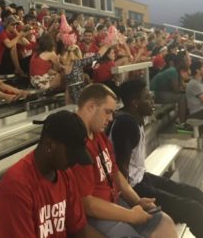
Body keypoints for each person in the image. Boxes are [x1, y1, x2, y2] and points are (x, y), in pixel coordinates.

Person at [111, 79, 203, 238]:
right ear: (135, 103)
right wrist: (133, 202)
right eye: (147, 98)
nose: (152, 101)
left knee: (196, 194)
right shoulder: (126, 125)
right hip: (135, 187)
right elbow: (119, 171)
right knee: (192, 209)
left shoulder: (134, 119)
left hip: (142, 178)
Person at [71, 83, 178, 238]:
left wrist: (137, 201)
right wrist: (130, 215)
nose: (111, 118)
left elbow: (115, 173)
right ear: (91, 107)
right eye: (107, 112)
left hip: (115, 202)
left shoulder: (99, 135)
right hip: (96, 215)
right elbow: (87, 204)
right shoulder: (77, 143)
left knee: (164, 222)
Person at [0, 110, 102, 238]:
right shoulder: (16, 186)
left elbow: (79, 229)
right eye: (71, 155)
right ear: (49, 145)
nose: (74, 161)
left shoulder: (65, 174)